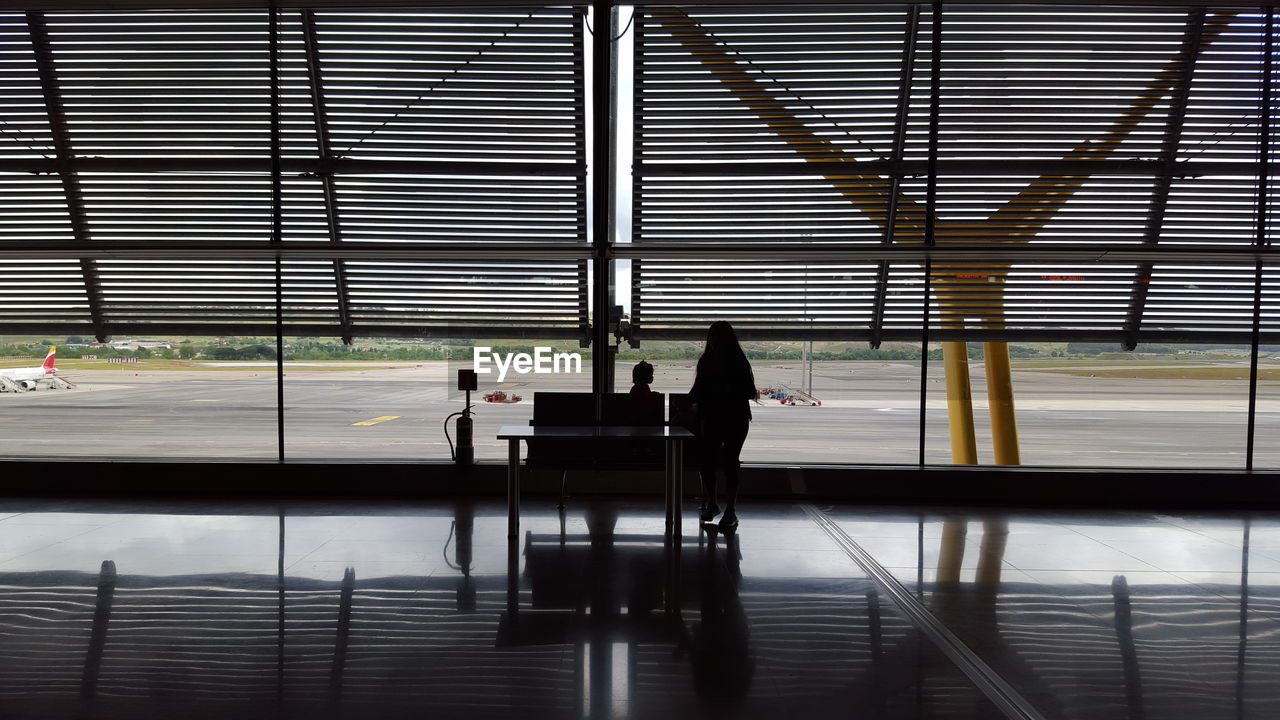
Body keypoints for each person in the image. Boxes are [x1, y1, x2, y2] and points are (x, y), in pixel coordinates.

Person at [687, 321, 757, 529]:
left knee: (709, 462)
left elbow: (697, 391)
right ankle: (729, 510)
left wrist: (689, 403)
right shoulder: (739, 361)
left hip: (713, 417)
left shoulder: (707, 360)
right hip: (736, 417)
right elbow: (750, 392)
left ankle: (714, 504)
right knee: (729, 463)